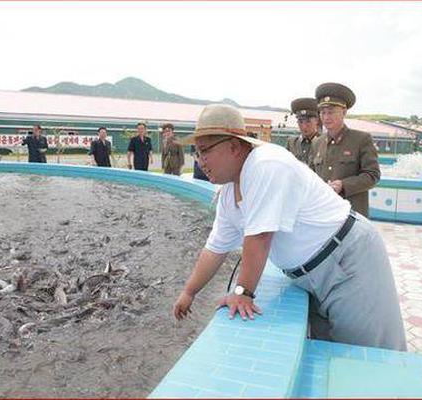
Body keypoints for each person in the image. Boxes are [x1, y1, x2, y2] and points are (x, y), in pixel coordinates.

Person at [172, 104, 406, 351]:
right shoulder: (229, 192)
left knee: (370, 355)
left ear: (234, 145)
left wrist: (243, 292)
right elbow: (215, 248)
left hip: (348, 259)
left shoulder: (265, 164)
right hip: (310, 274)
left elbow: (260, 237)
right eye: (196, 153)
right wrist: (189, 292)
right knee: (329, 358)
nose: (200, 161)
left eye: (204, 151)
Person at [313, 83, 380, 217]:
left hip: (351, 216)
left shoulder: (361, 139)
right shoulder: (317, 142)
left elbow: (372, 175)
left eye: (331, 112)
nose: (326, 117)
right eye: (323, 112)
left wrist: (343, 185)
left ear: (344, 112)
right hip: (324, 213)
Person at [286, 97, 321, 168]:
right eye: (300, 122)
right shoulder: (292, 143)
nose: (304, 126)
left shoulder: (323, 143)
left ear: (316, 121)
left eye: (308, 122)